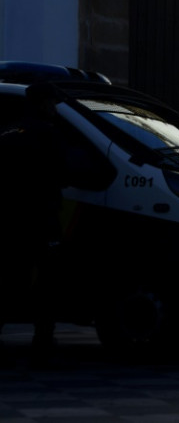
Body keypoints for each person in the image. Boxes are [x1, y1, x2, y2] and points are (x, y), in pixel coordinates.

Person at [0, 83, 67, 366]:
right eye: (51, 103)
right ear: (42, 103)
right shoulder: (48, 134)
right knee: (47, 282)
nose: (54, 108)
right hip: (41, 218)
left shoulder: (8, 133)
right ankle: (43, 340)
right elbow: (61, 175)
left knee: (9, 279)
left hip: (11, 219)